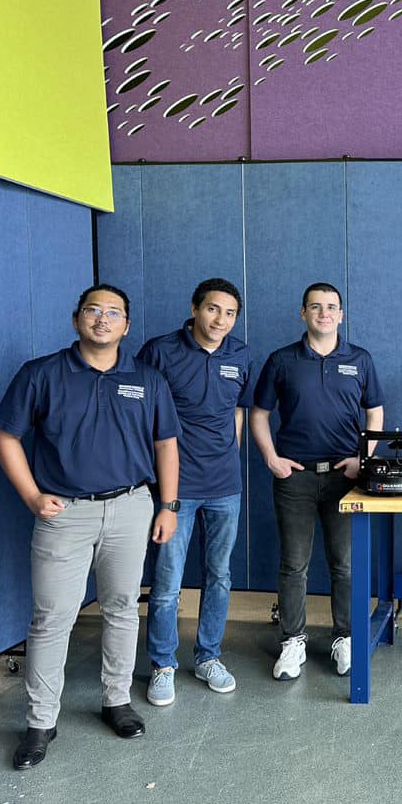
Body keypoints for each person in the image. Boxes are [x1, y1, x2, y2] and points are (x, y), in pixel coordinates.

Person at [0, 284, 180, 770]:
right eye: (93, 311)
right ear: (76, 319)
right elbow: (5, 434)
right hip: (64, 515)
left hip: (132, 507)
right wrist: (32, 495)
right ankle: (40, 722)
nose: (102, 319)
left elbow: (166, 446)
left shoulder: (148, 379)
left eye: (113, 313)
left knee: (121, 608)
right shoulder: (42, 374)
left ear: (127, 326)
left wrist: (167, 505)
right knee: (52, 617)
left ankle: (116, 700)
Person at [250, 282, 383, 680]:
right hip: (297, 479)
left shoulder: (359, 360)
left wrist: (364, 459)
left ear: (341, 315)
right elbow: (259, 414)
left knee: (344, 564)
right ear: (303, 314)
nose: (324, 313)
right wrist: (271, 458)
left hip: (346, 479)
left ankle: (345, 638)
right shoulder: (281, 360)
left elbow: (375, 412)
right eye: (315, 307)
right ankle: (293, 641)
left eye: (331, 307)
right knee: (294, 565)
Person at [138, 278, 254, 706]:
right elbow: (141, 412)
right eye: (212, 309)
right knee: (167, 582)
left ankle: (208, 657)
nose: (219, 320)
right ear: (194, 308)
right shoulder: (160, 351)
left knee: (219, 576)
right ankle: (163, 664)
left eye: (229, 313)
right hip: (176, 488)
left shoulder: (240, 354)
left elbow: (239, 409)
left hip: (225, 487)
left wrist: (230, 453)